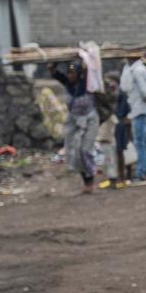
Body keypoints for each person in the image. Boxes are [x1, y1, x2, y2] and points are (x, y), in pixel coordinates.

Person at [50, 57, 100, 194]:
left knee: (85, 150)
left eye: (73, 73)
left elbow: (90, 69)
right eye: (69, 73)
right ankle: (86, 182)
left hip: (89, 120)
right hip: (74, 121)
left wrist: (85, 56)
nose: (70, 76)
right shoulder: (68, 84)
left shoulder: (86, 84)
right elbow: (54, 72)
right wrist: (53, 63)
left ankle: (91, 178)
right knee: (74, 152)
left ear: (79, 74)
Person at [121, 54, 146, 182]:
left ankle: (141, 172)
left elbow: (145, 92)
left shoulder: (138, 71)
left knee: (140, 142)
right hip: (140, 109)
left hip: (140, 110)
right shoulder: (135, 69)